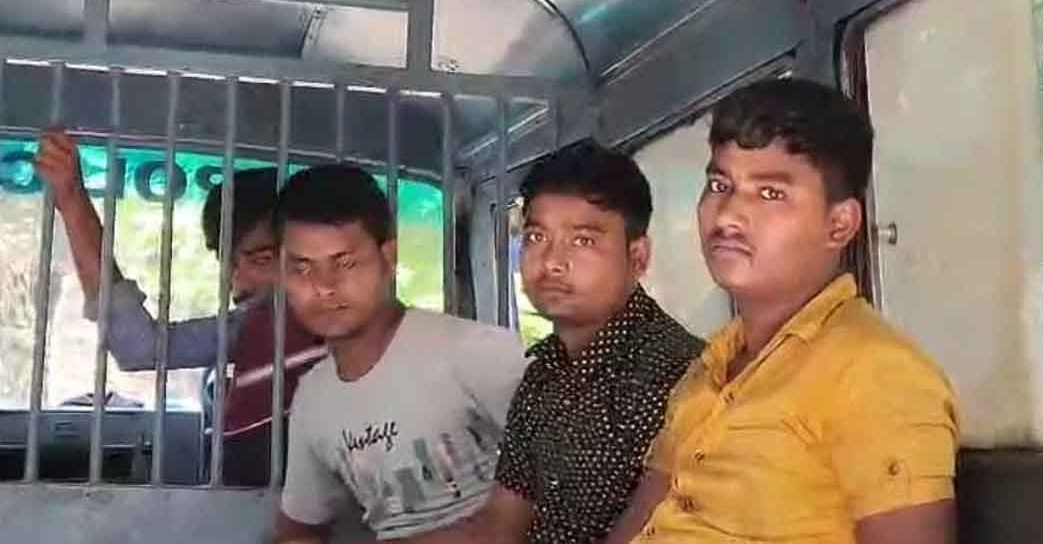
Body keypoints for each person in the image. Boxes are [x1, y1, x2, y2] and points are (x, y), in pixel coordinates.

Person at [605, 79, 960, 544]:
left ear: (839, 225)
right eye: (719, 185)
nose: (727, 215)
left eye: (770, 193)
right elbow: (641, 521)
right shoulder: (708, 370)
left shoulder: (877, 374)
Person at [384, 141, 704, 544]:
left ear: (638, 258)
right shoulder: (543, 374)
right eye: (536, 236)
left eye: (583, 241)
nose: (551, 261)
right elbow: (501, 523)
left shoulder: (681, 376)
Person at [35, 131, 324, 486]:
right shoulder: (252, 330)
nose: (237, 280)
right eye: (227, 262)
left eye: (261, 259)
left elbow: (139, 348)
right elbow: (138, 348)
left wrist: (72, 199)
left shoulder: (301, 326)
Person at [271, 164, 528, 543]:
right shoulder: (313, 398)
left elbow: (578, 469)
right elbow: (298, 527)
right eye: (302, 268)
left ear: (388, 257)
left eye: (345, 263)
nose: (324, 287)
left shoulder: (473, 352)